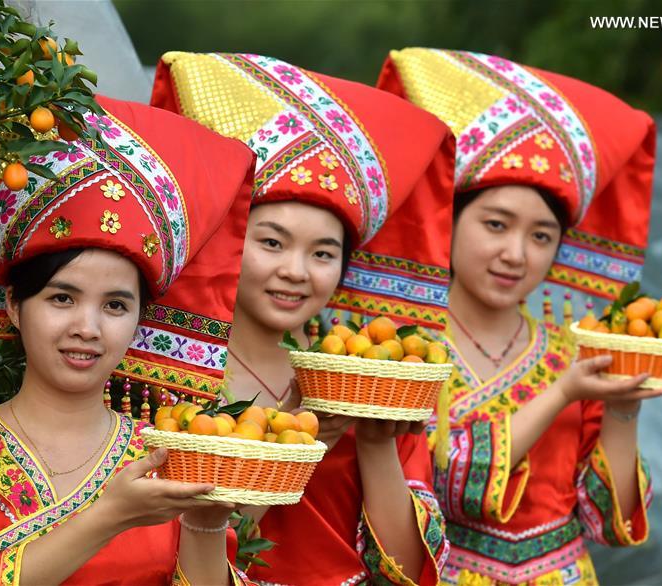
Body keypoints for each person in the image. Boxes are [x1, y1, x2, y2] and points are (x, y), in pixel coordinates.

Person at [0, 96, 259, 585]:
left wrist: (205, 525)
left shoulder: (170, 457)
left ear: (141, 319)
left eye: (115, 306)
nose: (88, 327)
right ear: (14, 304)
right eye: (62, 299)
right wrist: (109, 517)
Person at [375, 48, 662, 585]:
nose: (516, 253)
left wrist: (623, 410)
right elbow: (452, 490)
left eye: (541, 237)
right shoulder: (410, 353)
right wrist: (562, 393)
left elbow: (610, 523)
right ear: (451, 225)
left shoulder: (572, 351)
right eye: (495, 225)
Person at [151, 51, 455, 584]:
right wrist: (303, 446)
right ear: (228, 241)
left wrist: (376, 439)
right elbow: (166, 557)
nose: (296, 271)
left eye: (322, 253)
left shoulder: (367, 375)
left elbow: (408, 568)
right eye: (271, 243)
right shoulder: (167, 377)